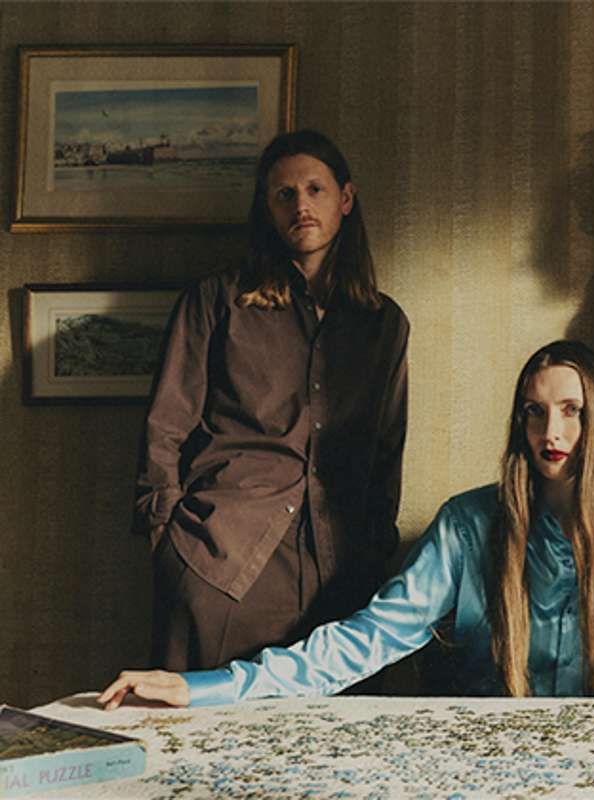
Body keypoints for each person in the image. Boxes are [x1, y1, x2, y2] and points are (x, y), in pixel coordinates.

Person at [102, 341, 594, 707]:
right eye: (534, 411)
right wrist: (204, 686)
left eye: (571, 411)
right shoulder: (469, 525)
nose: (551, 431)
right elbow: (365, 640)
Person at [133, 130, 410, 674]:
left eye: (314, 189)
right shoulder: (217, 301)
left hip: (342, 571)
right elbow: (165, 425)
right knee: (200, 720)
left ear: (345, 199)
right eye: (284, 194)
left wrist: (376, 548)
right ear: (267, 209)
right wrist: (166, 539)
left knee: (327, 726)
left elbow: (387, 447)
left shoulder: (384, 324)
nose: (300, 205)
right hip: (223, 559)